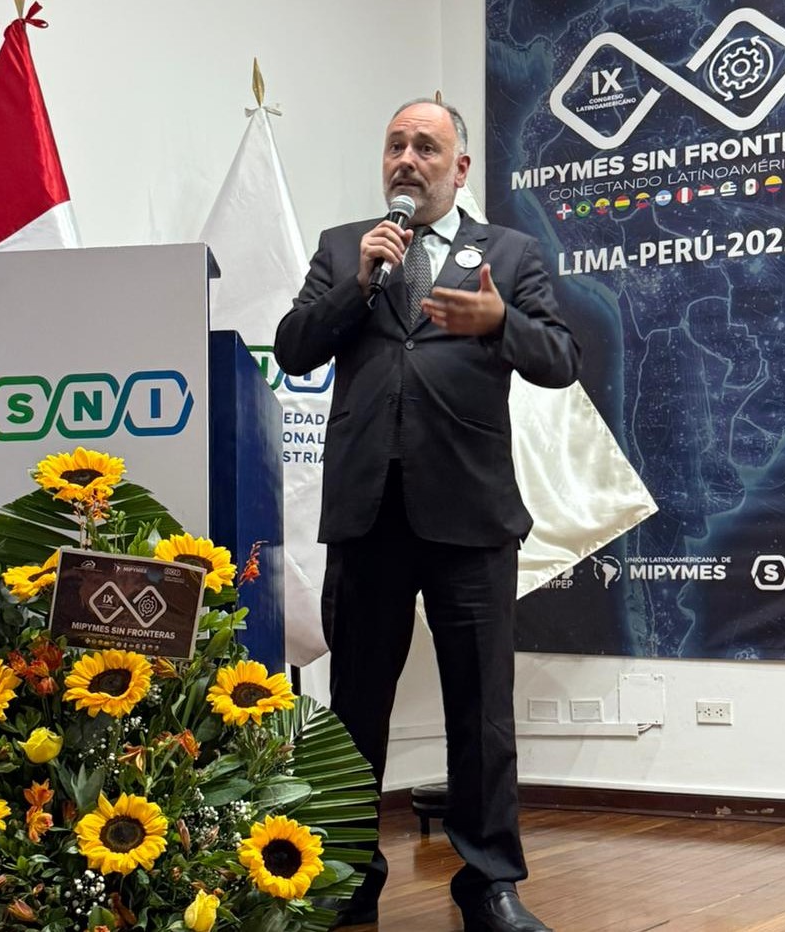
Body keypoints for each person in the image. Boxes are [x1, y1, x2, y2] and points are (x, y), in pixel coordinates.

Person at [275, 98, 581, 932]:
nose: (407, 159)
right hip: (368, 514)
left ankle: (489, 883)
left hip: (471, 516)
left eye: (426, 147)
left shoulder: (509, 254)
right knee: (355, 710)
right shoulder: (347, 246)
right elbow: (294, 347)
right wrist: (358, 284)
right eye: (395, 145)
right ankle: (346, 876)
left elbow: (561, 358)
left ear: (459, 168)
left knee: (480, 710)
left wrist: (500, 321)